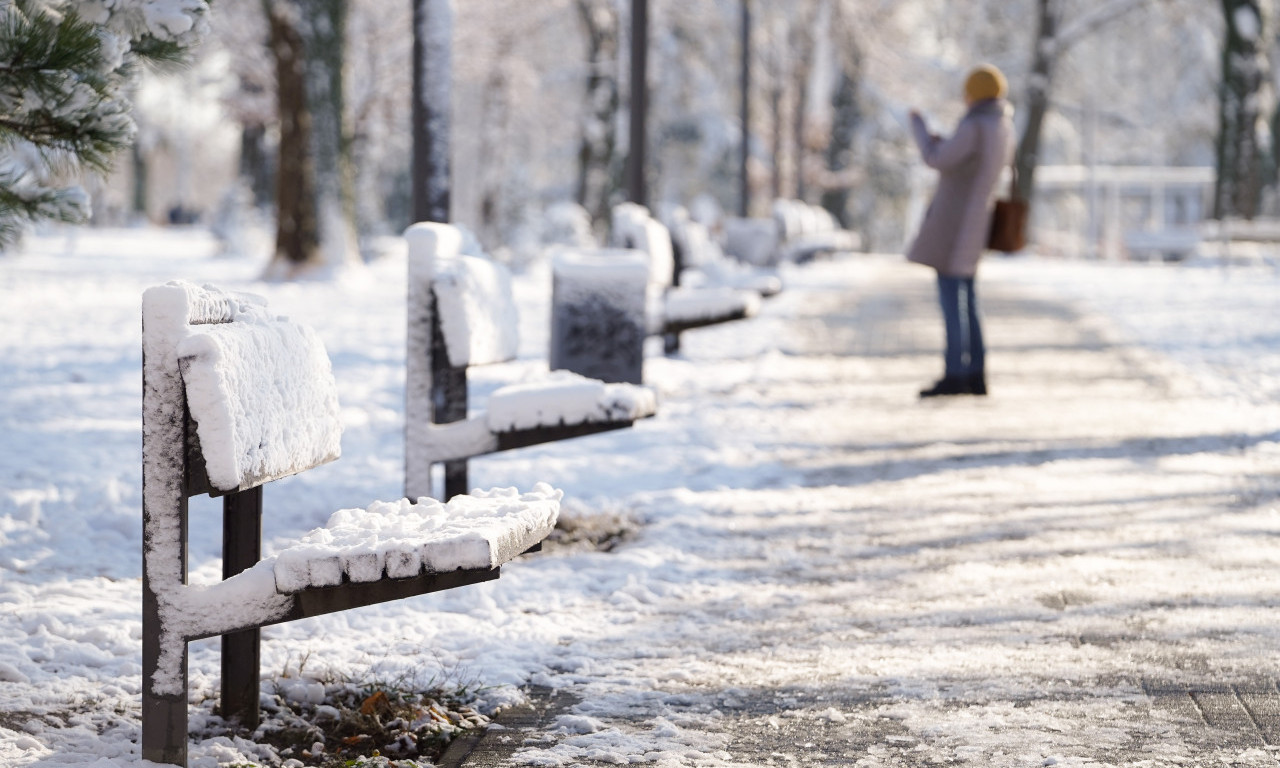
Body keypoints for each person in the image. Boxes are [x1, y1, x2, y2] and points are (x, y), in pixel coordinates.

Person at [906, 64, 1015, 397]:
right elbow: (963, 158)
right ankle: (976, 372)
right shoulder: (1002, 125)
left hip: (956, 224)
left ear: (976, 94)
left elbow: (938, 160)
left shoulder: (975, 124)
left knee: (953, 298)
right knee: (967, 297)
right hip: (977, 220)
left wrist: (920, 129)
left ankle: (956, 374)